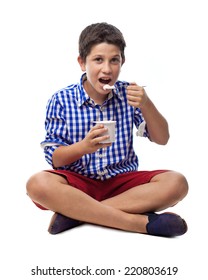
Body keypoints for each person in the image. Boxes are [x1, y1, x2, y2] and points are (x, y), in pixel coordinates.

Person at [26, 22, 188, 237]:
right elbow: (55, 159)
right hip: (78, 185)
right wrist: (84, 147)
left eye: (114, 60)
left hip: (122, 184)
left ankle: (76, 214)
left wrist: (146, 104)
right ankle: (136, 223)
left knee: (176, 183)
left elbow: (162, 138)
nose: (107, 68)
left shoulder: (129, 95)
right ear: (82, 63)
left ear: (123, 62)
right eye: (98, 60)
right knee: (37, 184)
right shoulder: (61, 100)